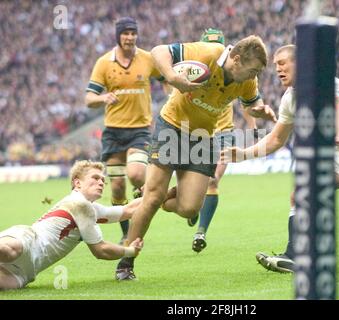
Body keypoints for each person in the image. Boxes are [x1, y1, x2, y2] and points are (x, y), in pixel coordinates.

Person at [115, 35, 277, 280]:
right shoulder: (209, 53)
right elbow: (159, 50)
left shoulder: (247, 80)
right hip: (172, 127)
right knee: (153, 198)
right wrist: (172, 77)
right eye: (252, 69)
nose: (254, 75)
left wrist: (259, 110)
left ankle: (155, 194)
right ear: (235, 59)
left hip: (204, 137)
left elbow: (252, 102)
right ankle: (126, 262)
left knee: (189, 209)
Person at [221, 44, 339, 273]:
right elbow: (276, 139)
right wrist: (243, 154)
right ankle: (293, 256)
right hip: (331, 153)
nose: (278, 69)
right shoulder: (290, 99)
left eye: (282, 63)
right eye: (275, 66)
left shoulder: (325, 82)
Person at [0, 160, 142, 290]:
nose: (101, 183)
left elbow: (127, 210)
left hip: (26, 270)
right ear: (77, 183)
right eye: (95, 178)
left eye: (103, 180)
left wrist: (154, 193)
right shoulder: (79, 204)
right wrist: (130, 251)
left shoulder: (91, 208)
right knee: (8, 250)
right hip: (28, 240)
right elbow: (101, 250)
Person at [85, 17, 163, 244]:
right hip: (113, 132)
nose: (130, 37)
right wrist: (102, 97)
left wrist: (172, 94)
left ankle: (163, 195)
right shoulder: (104, 63)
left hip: (140, 130)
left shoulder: (147, 59)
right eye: (125, 33)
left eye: (133, 33)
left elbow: (165, 78)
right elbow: (88, 98)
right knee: (118, 188)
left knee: (137, 174)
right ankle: (126, 233)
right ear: (118, 36)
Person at [187, 28, 259, 253]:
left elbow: (247, 101)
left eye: (216, 43)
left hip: (224, 132)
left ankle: (201, 232)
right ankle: (194, 206)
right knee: (193, 190)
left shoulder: (236, 71)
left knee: (213, 180)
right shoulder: (197, 68)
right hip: (198, 132)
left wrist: (253, 126)